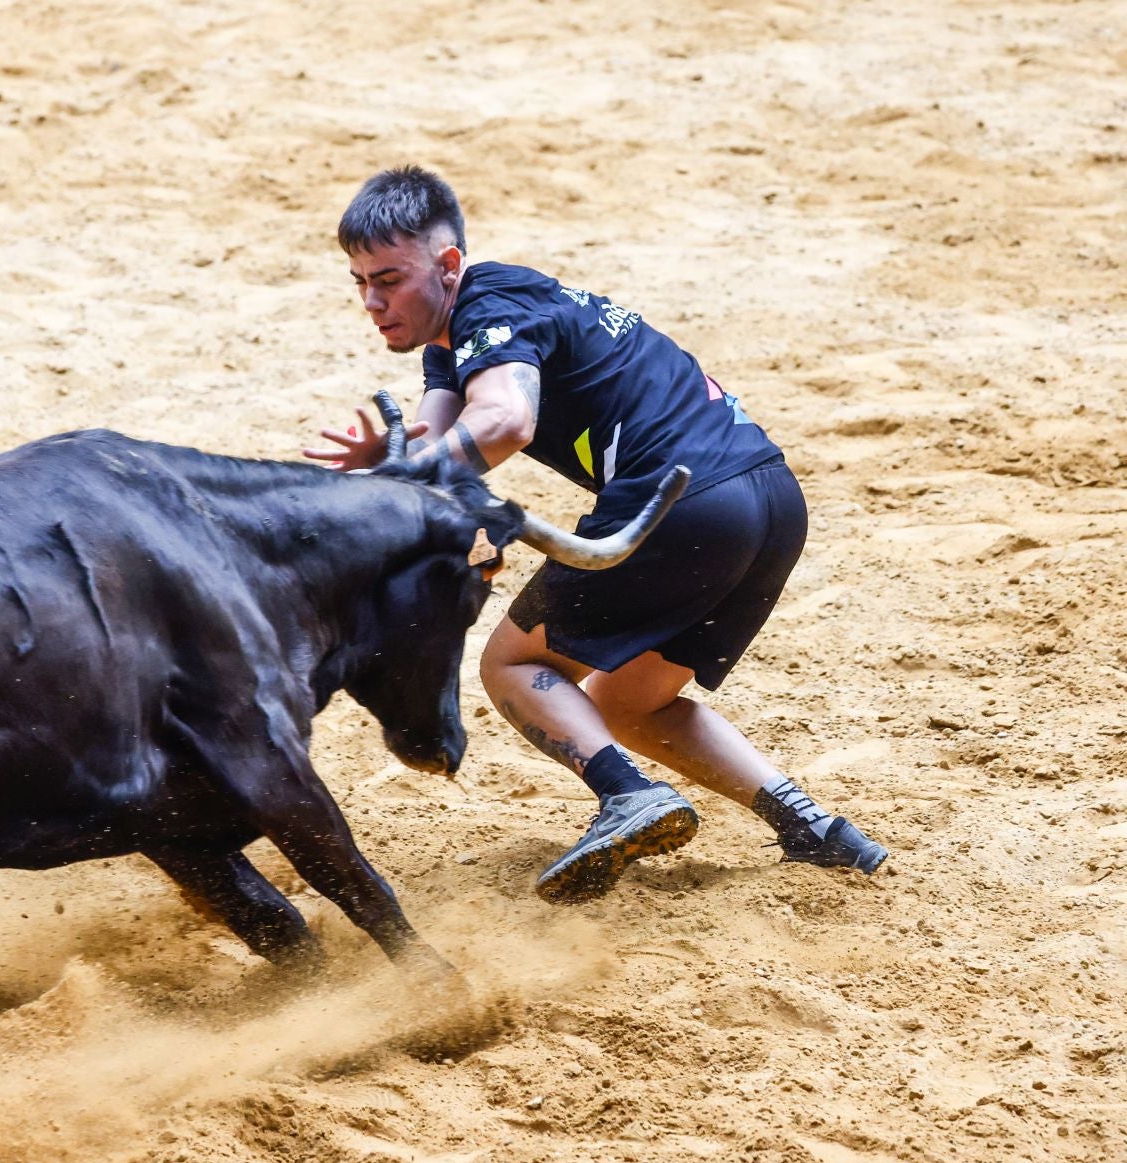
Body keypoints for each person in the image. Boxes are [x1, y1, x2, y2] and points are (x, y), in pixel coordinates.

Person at [305, 165, 888, 903]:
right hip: (768, 500)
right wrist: (394, 467)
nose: (371, 301)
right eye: (358, 281)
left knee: (511, 666)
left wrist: (402, 477)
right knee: (627, 704)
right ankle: (814, 828)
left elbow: (505, 421)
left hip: (685, 502)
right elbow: (437, 446)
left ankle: (625, 795)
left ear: (448, 266)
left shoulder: (492, 302)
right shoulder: (461, 338)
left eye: (388, 278)